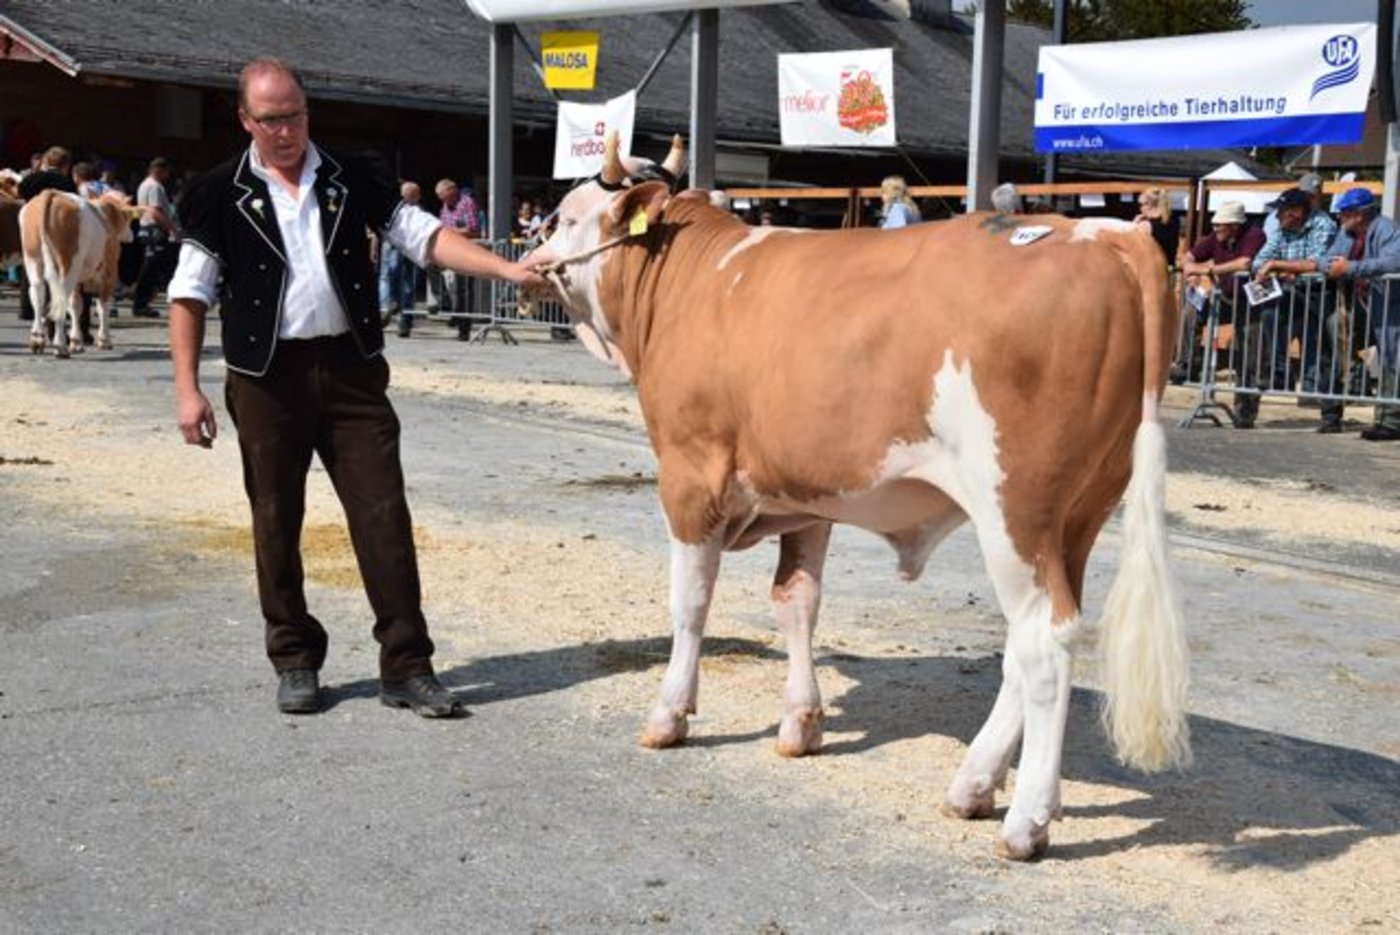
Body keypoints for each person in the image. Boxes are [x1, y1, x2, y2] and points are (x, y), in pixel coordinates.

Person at [166, 57, 546, 716]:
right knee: (275, 519)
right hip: (265, 379)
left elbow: (426, 239)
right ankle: (294, 656)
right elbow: (188, 293)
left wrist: (507, 272)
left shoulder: (352, 175)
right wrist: (187, 389)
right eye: (271, 120)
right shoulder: (217, 190)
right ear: (245, 120)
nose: (286, 131)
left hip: (351, 373)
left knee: (383, 515)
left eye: (296, 115)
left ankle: (407, 662)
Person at [1243, 187, 1338, 429]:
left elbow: (1318, 263)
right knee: (1267, 319)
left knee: (1322, 352)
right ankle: (1275, 374)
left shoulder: (1323, 224)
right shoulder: (1280, 229)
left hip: (1319, 294)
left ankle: (1331, 415)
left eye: (1282, 210)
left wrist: (1279, 265)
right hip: (1288, 294)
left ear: (1296, 212)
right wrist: (1286, 268)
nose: (1276, 216)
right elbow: (1258, 262)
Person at [1323, 186, 1400, 441]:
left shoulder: (1387, 229)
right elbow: (1326, 260)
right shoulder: (1347, 234)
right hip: (1361, 304)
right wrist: (1336, 266)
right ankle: (1335, 413)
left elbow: (1393, 262)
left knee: (1392, 358)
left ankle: (1389, 422)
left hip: (1389, 305)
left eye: (1345, 212)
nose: (1340, 217)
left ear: (1360, 214)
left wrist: (1351, 267)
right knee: (1339, 339)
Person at [1178, 201, 1265, 381]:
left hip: (1250, 300)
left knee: (1250, 334)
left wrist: (1208, 270)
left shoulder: (1254, 235)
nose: (1215, 228)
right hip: (1224, 297)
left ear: (1234, 225)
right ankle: (1187, 364)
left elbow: (1244, 263)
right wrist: (1190, 270)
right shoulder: (1214, 238)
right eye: (1215, 224)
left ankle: (1249, 377)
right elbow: (1187, 257)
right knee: (1191, 311)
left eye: (1219, 225)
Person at [17, 146, 77, 324]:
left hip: (32, 225)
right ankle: (54, 307)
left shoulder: (32, 178)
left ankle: (27, 308)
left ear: (45, 161)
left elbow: (20, 192)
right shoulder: (67, 183)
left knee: (31, 267)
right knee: (55, 268)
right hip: (58, 228)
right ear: (66, 166)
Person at [428, 177, 481, 339]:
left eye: (443, 196)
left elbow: (473, 230)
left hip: (465, 251)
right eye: (440, 198)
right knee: (430, 267)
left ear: (452, 190)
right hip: (449, 248)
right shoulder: (445, 206)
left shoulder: (467, 203)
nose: (442, 200)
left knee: (464, 288)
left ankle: (464, 327)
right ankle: (449, 306)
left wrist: (451, 231)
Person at [130, 157, 179, 319]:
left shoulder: (144, 185)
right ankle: (141, 303)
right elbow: (155, 211)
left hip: (146, 228)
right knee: (149, 268)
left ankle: (143, 300)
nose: (167, 176)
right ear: (160, 170)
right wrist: (171, 228)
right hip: (154, 229)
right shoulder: (155, 187)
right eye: (166, 172)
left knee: (150, 267)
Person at [378, 179, 423, 338]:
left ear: (416, 196)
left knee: (406, 283)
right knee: (387, 276)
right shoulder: (392, 207)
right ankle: (386, 310)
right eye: (403, 195)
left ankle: (405, 319)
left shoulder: (418, 213)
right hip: (389, 247)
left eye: (408, 195)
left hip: (407, 250)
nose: (404, 198)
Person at [1133, 187, 1181, 268]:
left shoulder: (1145, 226)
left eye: (1140, 204)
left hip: (1151, 270)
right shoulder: (1174, 221)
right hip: (1168, 268)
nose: (1140, 208)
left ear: (1149, 205)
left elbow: (1131, 247)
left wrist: (1134, 224)